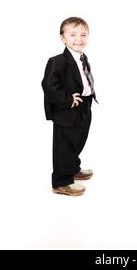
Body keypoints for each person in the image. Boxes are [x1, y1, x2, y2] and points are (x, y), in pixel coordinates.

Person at [42, 17, 98, 196]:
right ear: (63, 38)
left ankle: (72, 168)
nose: (79, 39)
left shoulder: (82, 57)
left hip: (84, 105)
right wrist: (67, 100)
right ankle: (61, 181)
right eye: (72, 35)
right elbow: (49, 85)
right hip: (67, 109)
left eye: (83, 34)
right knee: (64, 145)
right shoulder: (57, 61)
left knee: (78, 139)